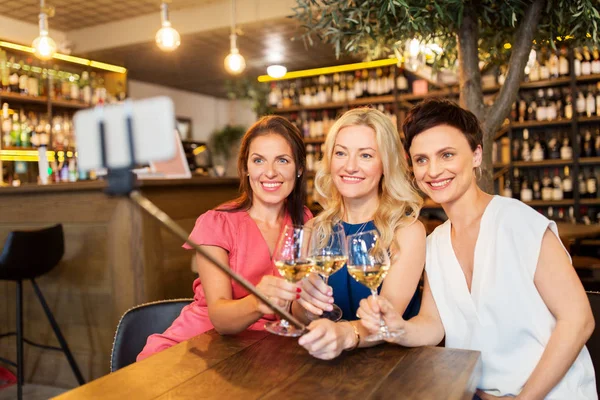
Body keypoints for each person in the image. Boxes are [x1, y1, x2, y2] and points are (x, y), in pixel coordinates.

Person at [358, 98, 596, 399]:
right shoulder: (435, 243)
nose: (433, 170)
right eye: (421, 159)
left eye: (446, 155)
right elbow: (433, 324)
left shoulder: (517, 221)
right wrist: (396, 328)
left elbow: (579, 320)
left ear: (476, 155)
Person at [137, 115, 312, 361]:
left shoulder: (304, 220)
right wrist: (260, 302)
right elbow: (220, 319)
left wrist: (312, 301)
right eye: (258, 160)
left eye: (282, 160)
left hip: (267, 353)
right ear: (246, 168)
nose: (270, 172)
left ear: (299, 168)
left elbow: (296, 310)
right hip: (200, 349)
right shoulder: (216, 223)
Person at [294, 107, 426, 360]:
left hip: (395, 369)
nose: (350, 166)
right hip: (326, 366)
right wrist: (306, 306)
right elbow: (299, 315)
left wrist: (343, 334)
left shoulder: (407, 232)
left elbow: (386, 319)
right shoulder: (314, 230)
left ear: (385, 165)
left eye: (365, 155)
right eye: (341, 153)